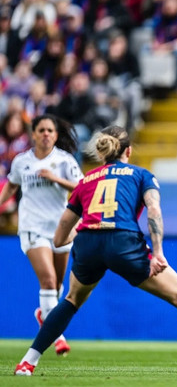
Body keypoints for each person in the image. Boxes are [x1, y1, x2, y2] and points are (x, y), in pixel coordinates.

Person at [14, 126, 177, 379]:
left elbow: (60, 236)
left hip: (88, 243)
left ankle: (27, 362)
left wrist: (81, 235)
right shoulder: (141, 174)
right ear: (129, 151)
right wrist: (157, 252)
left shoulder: (86, 180)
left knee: (70, 301)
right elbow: (154, 210)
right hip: (123, 241)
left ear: (103, 154)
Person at [0, 114, 83, 357]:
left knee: (57, 285)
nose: (46, 134)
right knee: (47, 280)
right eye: (42, 130)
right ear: (33, 134)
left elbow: (81, 188)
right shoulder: (21, 161)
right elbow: (12, 186)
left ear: (56, 136)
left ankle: (43, 314)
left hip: (60, 229)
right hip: (32, 226)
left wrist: (55, 178)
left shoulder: (64, 161)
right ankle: (56, 336)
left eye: (50, 130)